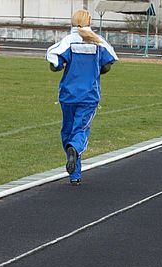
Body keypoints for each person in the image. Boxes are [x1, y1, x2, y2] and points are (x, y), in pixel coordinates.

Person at [46, 9, 117, 185]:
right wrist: (96, 71)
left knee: (68, 131)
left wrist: (59, 67)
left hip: (68, 95)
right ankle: (74, 150)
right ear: (89, 22)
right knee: (80, 131)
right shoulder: (97, 41)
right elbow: (109, 63)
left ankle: (75, 175)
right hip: (89, 95)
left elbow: (54, 62)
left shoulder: (68, 41)